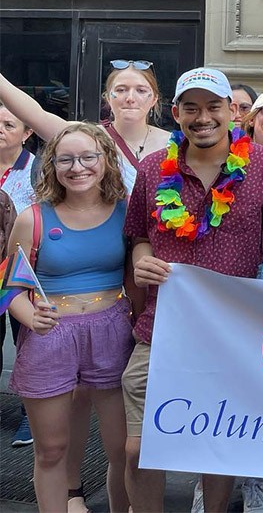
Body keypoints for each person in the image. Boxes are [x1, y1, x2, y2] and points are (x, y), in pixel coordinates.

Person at [123, 67, 263, 513]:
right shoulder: (150, 169)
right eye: (192, 108)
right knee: (138, 450)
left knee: (217, 442)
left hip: (235, 329)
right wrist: (143, 258)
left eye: (213, 107)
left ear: (232, 112)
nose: (203, 118)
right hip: (163, 324)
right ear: (175, 113)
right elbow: (139, 234)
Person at [7, 123, 132, 513]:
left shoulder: (127, 212)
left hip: (113, 330)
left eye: (87, 157)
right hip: (51, 336)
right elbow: (8, 285)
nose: (77, 167)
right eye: (66, 159)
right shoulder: (33, 218)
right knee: (51, 449)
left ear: (105, 160)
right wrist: (29, 316)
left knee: (123, 449)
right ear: (53, 166)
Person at [0, 60, 171, 193]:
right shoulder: (88, 136)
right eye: (121, 90)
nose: (130, 98)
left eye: (141, 90)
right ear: (108, 97)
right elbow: (36, 116)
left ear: (154, 99)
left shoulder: (175, 143)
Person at [0, 102, 35, 450]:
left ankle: (31, 412)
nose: (0, 129)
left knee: (26, 339)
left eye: (9, 124)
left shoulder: (37, 170)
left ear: (27, 133)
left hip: (23, 271)